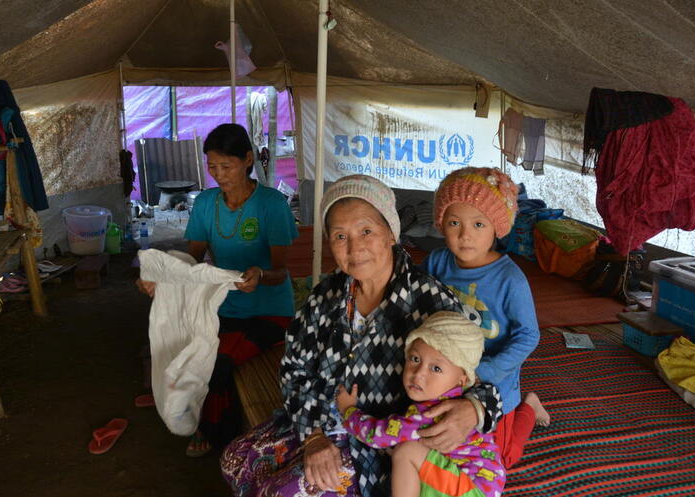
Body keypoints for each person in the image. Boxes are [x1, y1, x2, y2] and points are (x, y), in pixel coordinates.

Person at [222, 174, 502, 497]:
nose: (354, 248)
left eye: (366, 231)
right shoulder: (326, 295)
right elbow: (294, 367)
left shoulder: (431, 302)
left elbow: (478, 379)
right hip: (319, 421)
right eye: (340, 236)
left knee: (283, 493)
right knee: (234, 459)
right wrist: (313, 437)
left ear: (390, 234)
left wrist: (473, 410)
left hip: (379, 443)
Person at [136, 123, 298, 457]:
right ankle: (193, 413)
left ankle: (216, 434)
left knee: (215, 361)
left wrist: (259, 274)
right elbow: (190, 259)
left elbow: (281, 272)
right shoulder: (207, 203)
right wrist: (161, 277)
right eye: (212, 167)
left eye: (227, 166)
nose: (219, 175)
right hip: (221, 306)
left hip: (269, 312)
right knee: (181, 347)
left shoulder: (271, 205)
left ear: (248, 160)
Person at [422, 167, 550, 469]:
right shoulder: (436, 263)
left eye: (478, 224)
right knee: (437, 442)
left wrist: (487, 371)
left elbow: (529, 335)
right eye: (454, 223)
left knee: (501, 458)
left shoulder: (510, 279)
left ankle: (528, 407)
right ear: (441, 224)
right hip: (445, 376)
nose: (465, 235)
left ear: (497, 227)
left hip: (495, 381)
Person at [335, 311, 506, 497]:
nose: (419, 374)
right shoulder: (460, 400)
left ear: (462, 379)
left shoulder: (428, 413)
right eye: (415, 359)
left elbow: (375, 435)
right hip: (479, 486)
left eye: (436, 368)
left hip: (469, 489)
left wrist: (348, 410)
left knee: (405, 452)